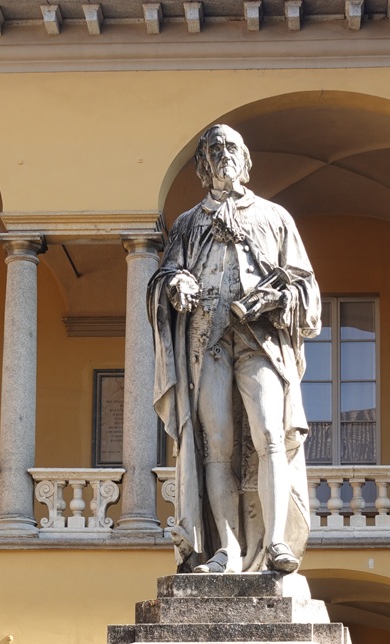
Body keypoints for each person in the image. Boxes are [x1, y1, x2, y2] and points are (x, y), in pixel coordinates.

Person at [148, 124, 321, 574]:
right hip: (207, 340)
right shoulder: (188, 224)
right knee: (216, 445)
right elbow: (163, 278)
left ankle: (277, 542)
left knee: (269, 435)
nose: (224, 154)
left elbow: (306, 287)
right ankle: (226, 549)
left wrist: (280, 297)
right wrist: (175, 283)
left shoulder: (274, 217)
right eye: (214, 149)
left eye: (231, 148)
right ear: (203, 165)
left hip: (259, 338)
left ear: (245, 160)